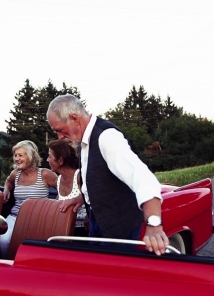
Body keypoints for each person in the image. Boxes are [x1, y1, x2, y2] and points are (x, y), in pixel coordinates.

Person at [46, 94, 169, 255]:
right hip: (98, 224)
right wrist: (82, 198)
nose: (60, 137)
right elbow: (98, 178)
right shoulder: (84, 141)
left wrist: (154, 225)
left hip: (119, 228)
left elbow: (143, 178)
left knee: (114, 276)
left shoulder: (107, 137)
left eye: (60, 130)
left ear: (74, 118)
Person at [0, 140, 58, 259]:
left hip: (37, 219)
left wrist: (54, 204)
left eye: (21, 155)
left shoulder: (45, 174)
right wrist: (6, 190)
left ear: (31, 156)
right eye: (15, 155)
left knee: (32, 248)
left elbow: (63, 188)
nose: (16, 158)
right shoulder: (16, 174)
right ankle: (6, 264)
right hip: (15, 216)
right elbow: (8, 181)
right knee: (2, 241)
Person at [47, 139, 88, 237]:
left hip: (82, 231)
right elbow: (58, 206)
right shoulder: (59, 179)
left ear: (60, 160)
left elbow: (94, 197)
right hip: (63, 228)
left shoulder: (79, 176)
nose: (47, 160)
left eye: (49, 156)